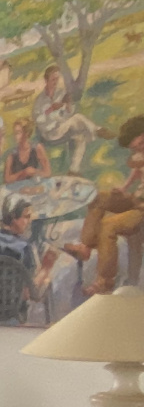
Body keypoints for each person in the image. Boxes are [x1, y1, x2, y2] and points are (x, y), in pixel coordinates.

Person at [63, 113, 144, 294]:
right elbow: (138, 172)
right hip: (136, 199)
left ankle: (105, 281)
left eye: (141, 144)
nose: (138, 150)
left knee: (108, 225)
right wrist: (124, 189)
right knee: (98, 198)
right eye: (135, 148)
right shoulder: (140, 155)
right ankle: (85, 246)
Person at [30, 64, 111, 173]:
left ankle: (73, 170)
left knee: (80, 137)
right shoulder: (40, 100)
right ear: (46, 80)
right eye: (53, 79)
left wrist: (68, 105)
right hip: (49, 133)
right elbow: (38, 121)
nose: (55, 82)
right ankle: (97, 130)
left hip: (63, 128)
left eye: (57, 79)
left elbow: (67, 115)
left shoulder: (60, 93)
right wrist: (51, 109)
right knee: (78, 118)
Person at [0, 197, 56, 297]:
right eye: (26, 217)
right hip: (13, 302)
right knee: (47, 281)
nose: (29, 221)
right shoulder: (24, 247)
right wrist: (46, 268)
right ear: (14, 217)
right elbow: (28, 292)